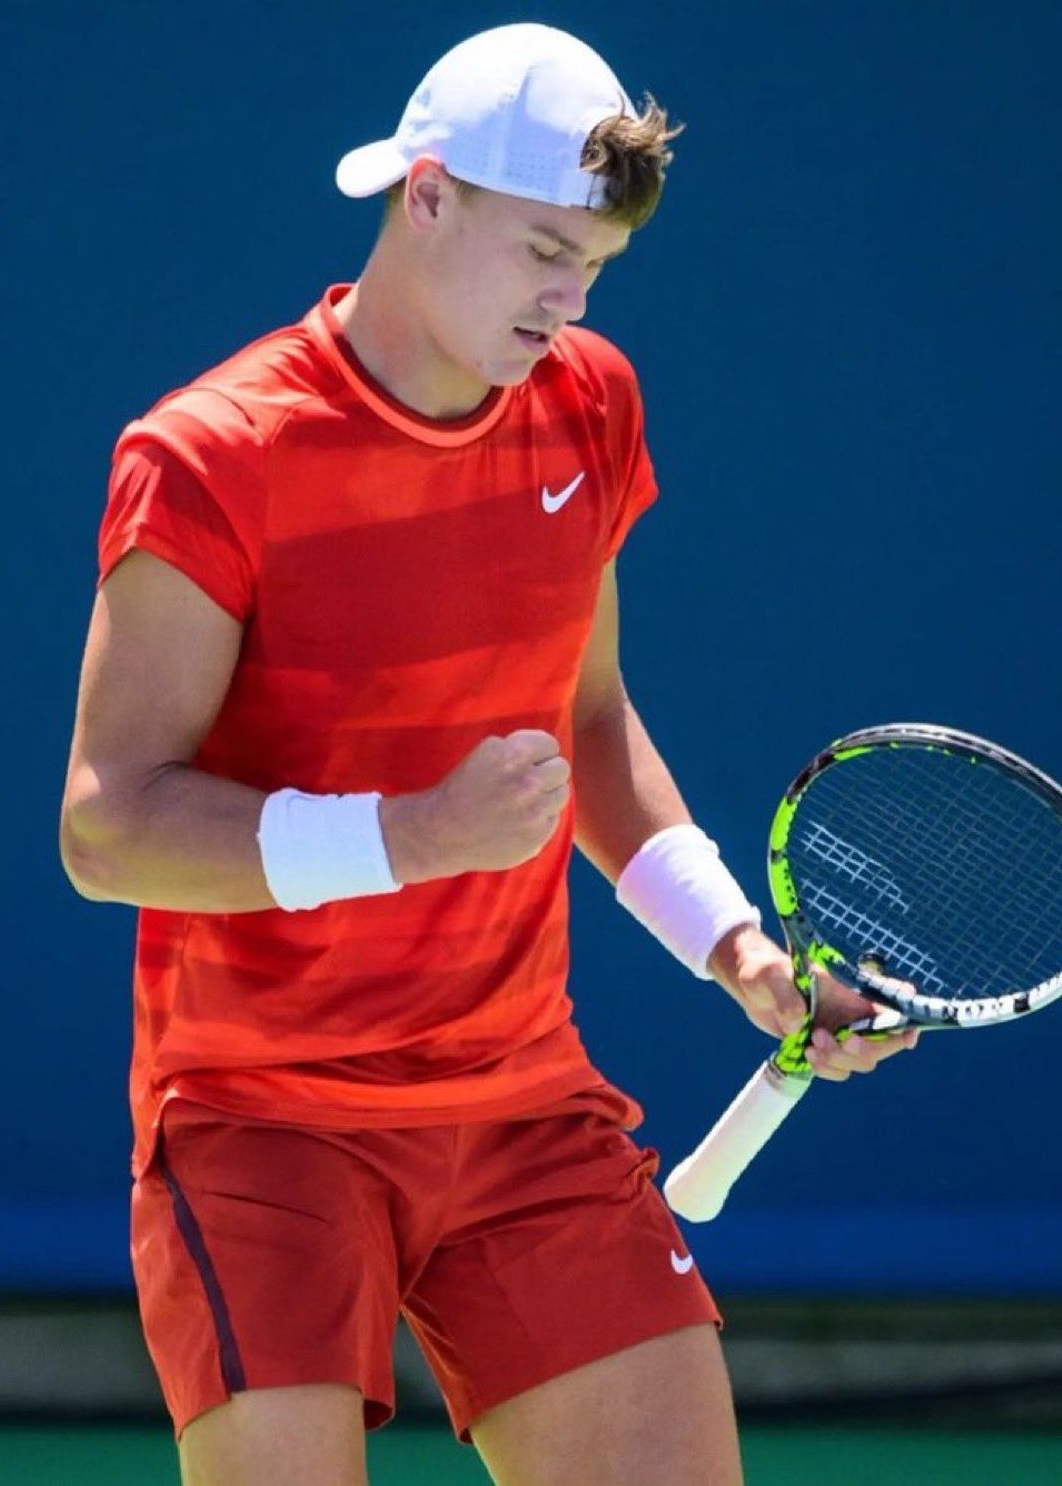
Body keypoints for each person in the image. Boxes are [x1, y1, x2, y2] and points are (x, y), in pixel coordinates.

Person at [60, 22, 917, 1486]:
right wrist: (402, 837)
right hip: (262, 1122)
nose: (567, 300)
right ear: (429, 194)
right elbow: (109, 824)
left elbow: (583, 720)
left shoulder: (590, 400)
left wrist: (737, 949)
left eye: (594, 266)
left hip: (519, 1104)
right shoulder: (209, 457)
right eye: (541, 252)